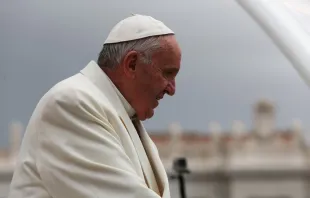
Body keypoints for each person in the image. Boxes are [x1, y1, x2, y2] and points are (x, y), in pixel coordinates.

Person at [8, 14, 181, 198]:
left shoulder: (119, 111)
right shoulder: (71, 102)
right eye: (168, 73)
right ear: (131, 64)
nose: (172, 89)